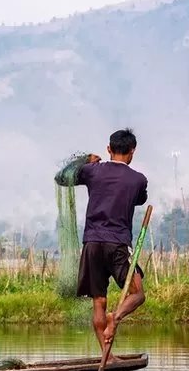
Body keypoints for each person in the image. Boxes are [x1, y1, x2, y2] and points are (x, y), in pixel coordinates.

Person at [55, 128, 148, 354]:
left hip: (92, 245)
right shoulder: (138, 179)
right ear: (133, 151)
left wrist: (84, 160)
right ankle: (114, 319)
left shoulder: (92, 171)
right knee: (137, 294)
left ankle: (107, 356)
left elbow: (61, 178)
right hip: (116, 244)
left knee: (99, 301)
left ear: (108, 149)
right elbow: (140, 199)